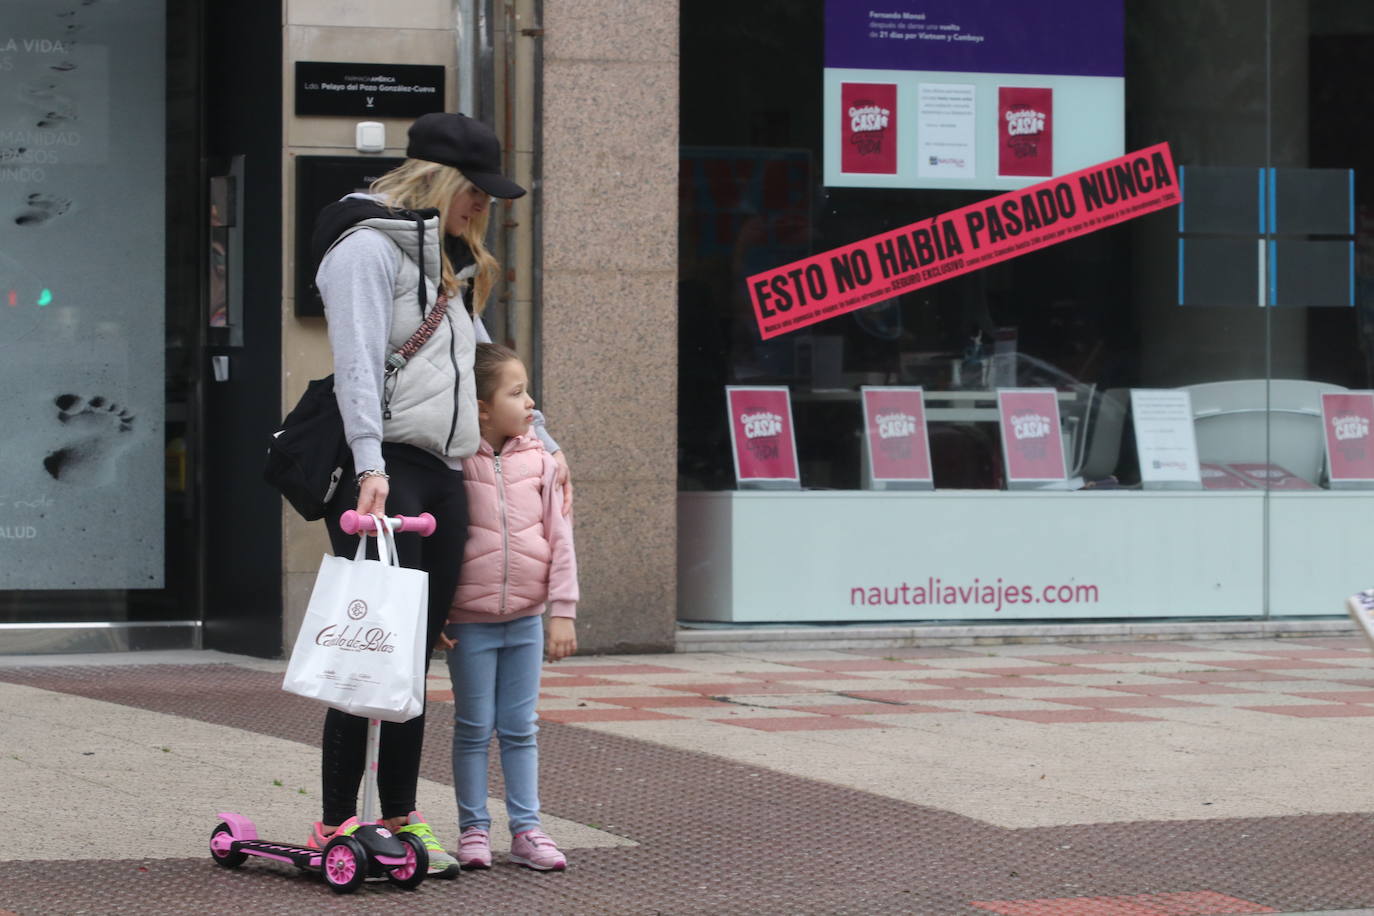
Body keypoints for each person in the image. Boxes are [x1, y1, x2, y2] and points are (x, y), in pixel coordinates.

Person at [307, 112, 568, 878]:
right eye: (477, 192)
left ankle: (400, 817)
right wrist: (368, 466)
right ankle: (335, 821)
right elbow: (355, 363)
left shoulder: (444, 259)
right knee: (369, 655)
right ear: (440, 180)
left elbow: (482, 363)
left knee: (416, 656)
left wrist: (544, 442)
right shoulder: (364, 249)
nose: (485, 207)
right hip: (383, 467)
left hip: (443, 473)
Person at [440, 342, 578, 871]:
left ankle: (527, 831)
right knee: (474, 727)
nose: (531, 403)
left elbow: (560, 538)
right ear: (480, 406)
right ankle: (473, 831)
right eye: (517, 393)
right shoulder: (451, 463)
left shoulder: (542, 462)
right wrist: (437, 614)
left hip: (525, 620)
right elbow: (442, 544)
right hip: (468, 625)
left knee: (521, 728)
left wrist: (561, 609)